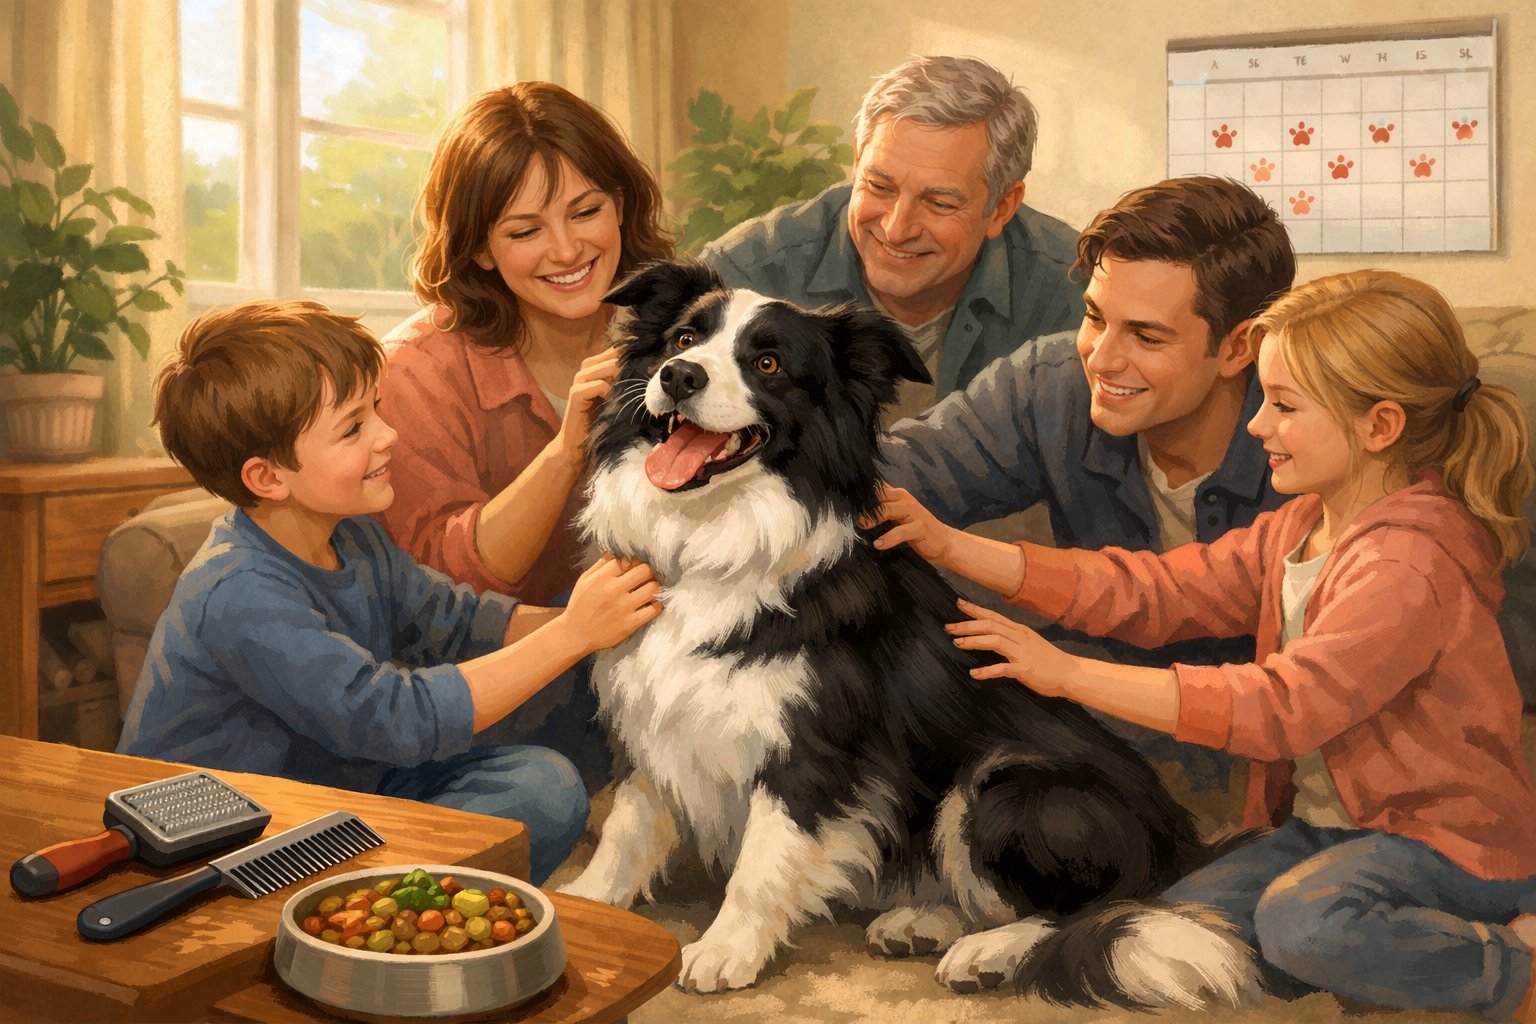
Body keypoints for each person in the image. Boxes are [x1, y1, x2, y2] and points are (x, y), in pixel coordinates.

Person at [878, 269, 1536, 1020]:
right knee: (1166, 920)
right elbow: (1155, 592)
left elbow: (1281, 707)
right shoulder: (1301, 525)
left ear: (1380, 427)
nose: (1258, 429)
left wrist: (1065, 673)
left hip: (1450, 846)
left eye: (1284, 407)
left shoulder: (1410, 564)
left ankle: (1511, 968)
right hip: (1324, 835)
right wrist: (951, 545)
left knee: (1304, 924)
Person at [117, 301, 663, 884]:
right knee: (542, 765)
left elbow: (459, 621)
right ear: (267, 478)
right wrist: (573, 633)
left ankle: (380, 887)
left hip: (342, 793)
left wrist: (606, 614)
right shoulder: (239, 592)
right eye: (353, 428)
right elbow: (395, 718)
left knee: (543, 786)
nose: (388, 435)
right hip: (233, 841)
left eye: (375, 410)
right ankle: (351, 909)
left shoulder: (351, 535)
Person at [879, 174, 1297, 787]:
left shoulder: (1314, 442)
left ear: (1240, 348)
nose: (1100, 358)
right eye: (1096, 318)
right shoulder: (1051, 385)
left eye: (1146, 336)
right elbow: (896, 473)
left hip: (1250, 744)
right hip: (1086, 730)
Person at [376, 83, 673, 789]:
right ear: (479, 248)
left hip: (651, 652)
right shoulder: (415, 370)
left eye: (586, 210)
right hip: (497, 686)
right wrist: (567, 448)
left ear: (621, 206)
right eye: (525, 230)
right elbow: (447, 594)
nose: (567, 249)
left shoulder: (674, 330)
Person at [701, 55, 1082, 420]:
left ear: (1002, 207)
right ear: (856, 162)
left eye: (939, 203)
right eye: (879, 186)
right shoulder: (743, 272)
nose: (897, 229)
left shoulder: (1078, 292)